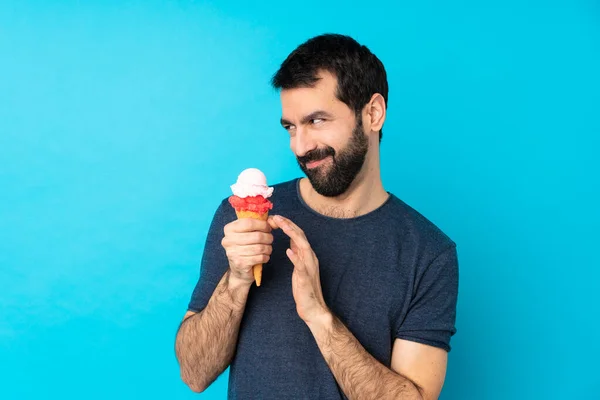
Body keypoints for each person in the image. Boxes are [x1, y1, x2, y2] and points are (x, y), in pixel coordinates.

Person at [175, 33, 459, 400]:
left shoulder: (429, 253)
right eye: (290, 126)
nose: (300, 146)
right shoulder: (243, 222)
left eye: (317, 120)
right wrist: (236, 280)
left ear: (373, 113)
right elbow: (194, 374)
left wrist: (320, 317)